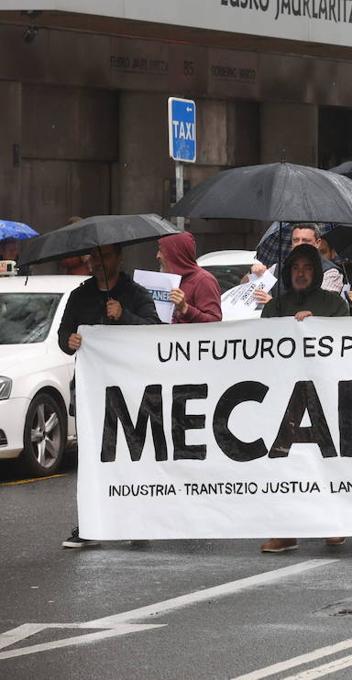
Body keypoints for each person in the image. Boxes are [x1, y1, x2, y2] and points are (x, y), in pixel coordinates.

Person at [58, 243, 162, 549]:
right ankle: (91, 524)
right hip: (91, 392)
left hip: (130, 391)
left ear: (118, 257)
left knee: (131, 455)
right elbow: (63, 335)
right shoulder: (80, 295)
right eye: (93, 257)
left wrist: (124, 315)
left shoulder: (136, 293)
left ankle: (135, 521)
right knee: (92, 460)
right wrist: (70, 340)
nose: (97, 262)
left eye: (104, 256)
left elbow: (155, 330)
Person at [259, 243, 349, 554]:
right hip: (285, 396)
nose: (300, 273)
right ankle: (286, 529)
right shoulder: (274, 307)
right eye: (295, 267)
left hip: (324, 394)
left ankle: (332, 522)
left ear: (316, 272)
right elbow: (261, 346)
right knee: (285, 463)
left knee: (326, 459)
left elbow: (345, 343)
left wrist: (315, 327)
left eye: (307, 267)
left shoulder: (334, 305)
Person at [252, 223, 345, 305]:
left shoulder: (330, 272)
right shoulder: (277, 268)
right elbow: (247, 289)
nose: (299, 244)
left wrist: (274, 304)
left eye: (305, 240)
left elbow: (323, 306)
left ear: (318, 243)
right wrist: (254, 273)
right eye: (296, 240)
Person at [156, 232, 223, 323]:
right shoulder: (168, 279)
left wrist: (185, 308)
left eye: (162, 251)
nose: (158, 256)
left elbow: (214, 322)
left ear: (176, 254)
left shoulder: (204, 280)